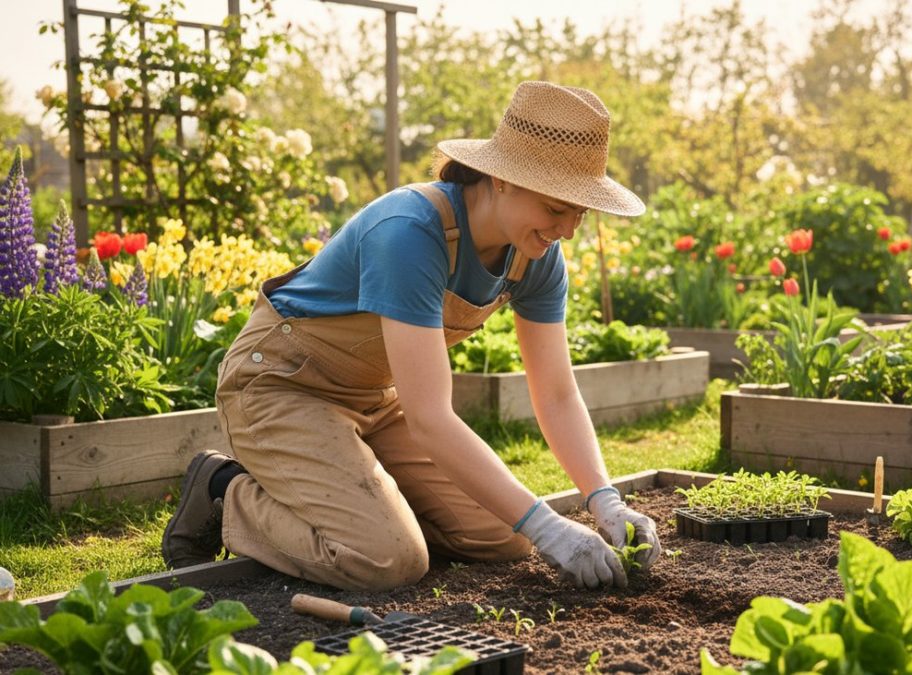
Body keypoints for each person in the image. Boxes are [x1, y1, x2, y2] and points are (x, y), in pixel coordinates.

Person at [161, 80, 661, 591]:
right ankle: (222, 489)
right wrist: (547, 524)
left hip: (373, 399)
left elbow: (555, 394)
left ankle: (370, 511)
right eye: (557, 208)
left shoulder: (534, 257)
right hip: (281, 386)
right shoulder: (409, 230)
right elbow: (429, 418)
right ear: (503, 179)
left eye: (579, 212)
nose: (569, 230)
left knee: (503, 537)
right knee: (386, 560)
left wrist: (604, 499)